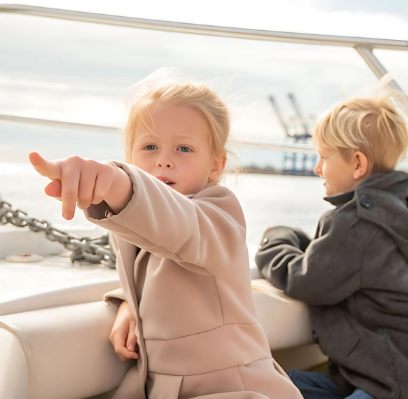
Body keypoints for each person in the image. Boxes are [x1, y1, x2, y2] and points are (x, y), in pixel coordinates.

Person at [29, 81, 301, 399]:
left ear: (216, 164)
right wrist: (130, 303)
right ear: (130, 156)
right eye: (149, 147)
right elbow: (156, 260)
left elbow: (181, 230)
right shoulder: (129, 225)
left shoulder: (220, 214)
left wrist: (115, 182)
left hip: (231, 387)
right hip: (160, 384)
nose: (164, 160)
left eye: (183, 148)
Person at [255, 89, 408, 399]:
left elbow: (306, 280)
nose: (317, 168)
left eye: (324, 156)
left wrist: (273, 240)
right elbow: (337, 258)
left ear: (358, 164)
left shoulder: (358, 222)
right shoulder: (401, 217)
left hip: (398, 384)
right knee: (281, 385)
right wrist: (300, 240)